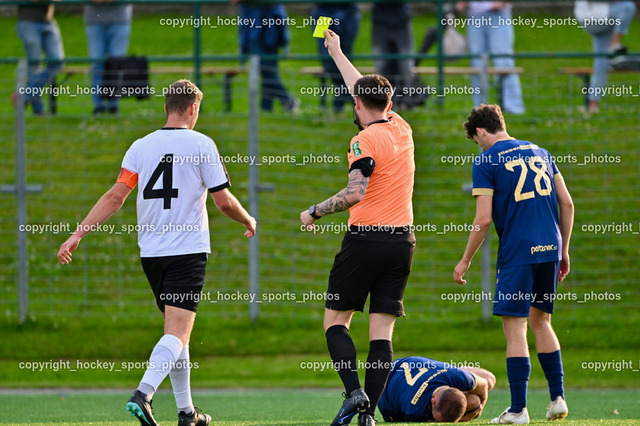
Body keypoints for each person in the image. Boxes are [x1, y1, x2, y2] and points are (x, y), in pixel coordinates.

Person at [57, 79, 257, 426]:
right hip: (187, 252)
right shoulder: (202, 144)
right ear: (193, 108)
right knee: (177, 333)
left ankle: (187, 413)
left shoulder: (140, 147)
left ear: (166, 107)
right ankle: (144, 394)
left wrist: (77, 234)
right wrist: (248, 219)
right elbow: (223, 201)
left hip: (151, 254)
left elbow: (115, 197)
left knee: (177, 332)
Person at [300, 29, 416, 426]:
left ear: (357, 105)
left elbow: (354, 193)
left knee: (336, 322)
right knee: (381, 333)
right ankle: (368, 416)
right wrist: (336, 52)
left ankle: (354, 394)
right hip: (402, 243)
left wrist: (314, 211)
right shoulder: (401, 127)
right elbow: (364, 90)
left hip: (365, 240)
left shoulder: (362, 141)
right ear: (389, 103)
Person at [453, 104, 574, 424]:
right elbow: (567, 202)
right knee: (542, 322)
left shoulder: (486, 160)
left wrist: (465, 260)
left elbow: (483, 219)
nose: (478, 148)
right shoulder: (541, 152)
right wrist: (564, 249)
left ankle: (519, 409)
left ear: (481, 132)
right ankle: (558, 398)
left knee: (515, 327)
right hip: (550, 248)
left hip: (518, 253)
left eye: (476, 141)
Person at [378, 356, 496, 423]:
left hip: (413, 365)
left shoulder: (456, 376)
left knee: (490, 379)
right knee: (474, 402)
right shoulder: (414, 410)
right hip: (387, 383)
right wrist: (464, 418)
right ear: (433, 401)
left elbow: (484, 384)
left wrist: (480, 410)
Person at [456, 2, 525, 114]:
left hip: (498, 15)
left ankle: (512, 107)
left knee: (503, 61)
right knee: (477, 64)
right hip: (475, 16)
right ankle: (479, 108)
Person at [234, 0, 299, 112]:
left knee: (268, 68)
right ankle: (271, 106)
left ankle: (279, 103)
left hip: (270, 25)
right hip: (256, 25)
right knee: (266, 68)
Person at [577, 1, 637, 114]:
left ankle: (593, 105)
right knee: (628, 7)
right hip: (593, 17)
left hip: (600, 17)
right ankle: (615, 44)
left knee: (601, 61)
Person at [15, 0, 64, 116]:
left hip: (49, 22)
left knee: (57, 62)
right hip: (28, 22)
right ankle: (39, 111)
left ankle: (25, 96)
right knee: (34, 66)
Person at [84, 0, 133, 115]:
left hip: (120, 19)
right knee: (97, 64)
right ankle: (98, 106)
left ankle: (113, 105)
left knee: (116, 63)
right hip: (94, 20)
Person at [311, 3, 360, 113]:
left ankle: (340, 102)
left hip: (348, 14)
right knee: (327, 59)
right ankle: (347, 96)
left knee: (346, 56)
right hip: (322, 16)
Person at [371, 3, 419, 109]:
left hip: (402, 20)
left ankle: (408, 102)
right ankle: (383, 104)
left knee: (406, 67)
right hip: (380, 21)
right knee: (382, 67)